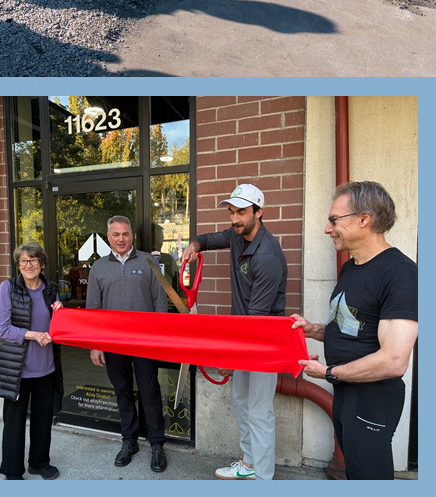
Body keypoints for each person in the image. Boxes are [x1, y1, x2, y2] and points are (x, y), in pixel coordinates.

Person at [290, 181, 417, 480]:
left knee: (370, 475)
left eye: (334, 220)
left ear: (364, 219)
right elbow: (352, 327)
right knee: (355, 472)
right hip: (346, 392)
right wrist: (313, 330)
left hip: (373, 397)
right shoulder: (351, 267)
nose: (327, 228)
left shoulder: (400, 274)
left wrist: (329, 372)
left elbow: (394, 360)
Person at [181, 183, 287, 480]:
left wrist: (232, 358)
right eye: (231, 212)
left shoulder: (266, 256)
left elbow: (257, 318)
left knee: (259, 410)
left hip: (263, 340)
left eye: (241, 211)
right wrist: (195, 245)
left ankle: (263, 477)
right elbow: (209, 239)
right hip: (244, 336)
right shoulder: (237, 234)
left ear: (259, 212)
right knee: (242, 403)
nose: (234, 218)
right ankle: (249, 464)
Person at [85, 216, 168, 472]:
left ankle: (156, 445)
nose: (121, 239)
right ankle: (129, 441)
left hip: (144, 342)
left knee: (149, 392)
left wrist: (158, 338)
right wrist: (95, 344)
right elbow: (93, 310)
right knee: (122, 392)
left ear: (131, 235)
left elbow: (160, 302)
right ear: (108, 237)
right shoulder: (98, 267)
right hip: (112, 343)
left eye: (125, 234)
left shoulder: (148, 260)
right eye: (116, 234)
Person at [0, 241, 62, 480]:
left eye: (34, 260)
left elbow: (58, 327)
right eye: (24, 261)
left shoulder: (51, 289)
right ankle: (12, 470)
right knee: (14, 422)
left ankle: (39, 462)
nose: (29, 265)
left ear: (42, 263)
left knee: (43, 420)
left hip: (46, 367)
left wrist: (61, 312)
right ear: (18, 264)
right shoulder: (8, 288)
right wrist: (33, 335)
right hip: (17, 368)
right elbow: (4, 329)